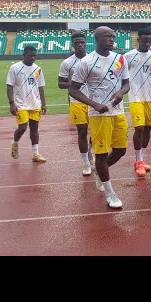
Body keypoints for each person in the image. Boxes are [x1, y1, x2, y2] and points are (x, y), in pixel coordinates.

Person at [69, 26, 130, 209]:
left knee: (120, 150)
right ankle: (110, 194)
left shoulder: (120, 59)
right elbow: (73, 89)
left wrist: (121, 91)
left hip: (118, 112)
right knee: (101, 154)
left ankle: (98, 172)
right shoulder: (86, 62)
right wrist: (94, 104)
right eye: (108, 36)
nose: (112, 39)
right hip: (98, 115)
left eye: (113, 36)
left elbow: (126, 83)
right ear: (96, 38)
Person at [124, 28, 151, 177]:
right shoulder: (128, 56)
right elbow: (123, 77)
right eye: (144, 40)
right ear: (138, 40)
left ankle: (142, 158)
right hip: (135, 97)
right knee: (139, 129)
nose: (147, 43)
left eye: (149, 41)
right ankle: (138, 161)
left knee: (148, 129)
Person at [58, 32, 93, 175]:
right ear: (73, 44)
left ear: (86, 43)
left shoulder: (93, 59)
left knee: (96, 132)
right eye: (77, 42)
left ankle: (89, 150)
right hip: (77, 100)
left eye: (82, 42)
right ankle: (85, 163)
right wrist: (73, 83)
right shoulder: (67, 63)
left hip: (94, 100)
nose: (79, 45)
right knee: (82, 131)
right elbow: (60, 83)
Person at [6, 45, 47, 162]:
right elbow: (9, 86)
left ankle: (35, 153)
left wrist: (43, 104)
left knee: (34, 128)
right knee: (23, 127)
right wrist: (11, 103)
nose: (32, 58)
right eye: (30, 56)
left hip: (35, 103)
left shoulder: (38, 69)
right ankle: (15, 143)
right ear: (24, 55)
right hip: (20, 104)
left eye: (34, 56)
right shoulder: (15, 68)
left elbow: (40, 87)